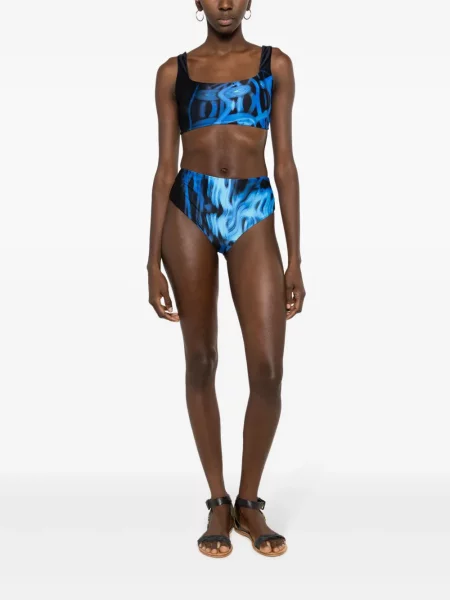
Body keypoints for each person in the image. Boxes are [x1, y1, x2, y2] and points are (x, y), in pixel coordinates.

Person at [147, 0, 305, 558]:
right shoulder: (173, 72)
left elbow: (285, 164)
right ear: (197, 1)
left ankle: (249, 501)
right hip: (188, 208)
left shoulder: (274, 65)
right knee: (201, 359)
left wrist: (295, 258)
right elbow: (164, 169)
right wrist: (150, 261)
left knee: (268, 370)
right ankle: (218, 500)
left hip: (252, 208)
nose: (225, 3)